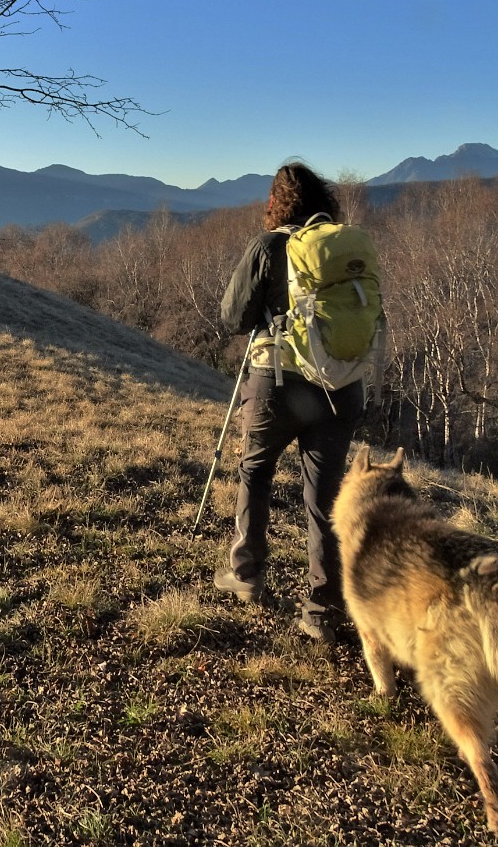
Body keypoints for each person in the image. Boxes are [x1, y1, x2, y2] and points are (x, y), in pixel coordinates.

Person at [212, 160, 366, 644]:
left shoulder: (269, 244)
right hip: (342, 385)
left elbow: (232, 316)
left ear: (277, 202)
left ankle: (247, 574)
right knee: (324, 495)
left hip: (277, 381)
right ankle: (323, 609)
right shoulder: (343, 247)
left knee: (255, 471)